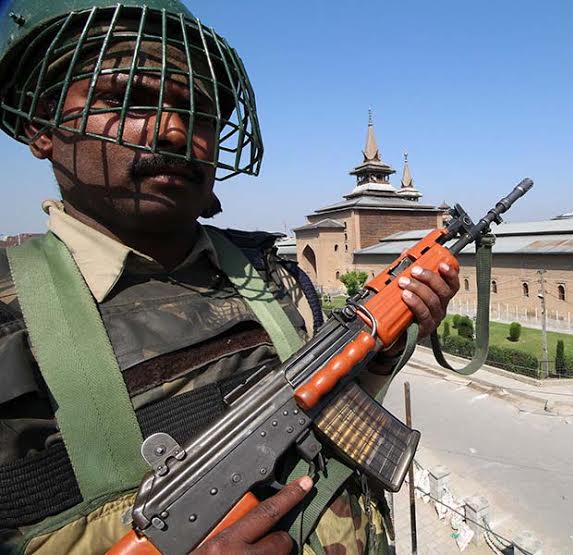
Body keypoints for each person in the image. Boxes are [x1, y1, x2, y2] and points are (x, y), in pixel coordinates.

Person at [0, 1, 459, 554]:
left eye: (198, 112)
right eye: (128, 99)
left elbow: (330, 407)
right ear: (42, 126)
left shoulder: (274, 277)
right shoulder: (11, 325)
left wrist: (383, 345)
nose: (172, 131)